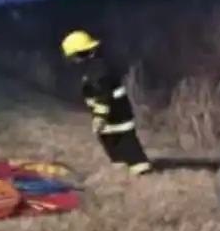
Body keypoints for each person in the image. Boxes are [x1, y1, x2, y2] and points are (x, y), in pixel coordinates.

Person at [60, 30, 153, 176]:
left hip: (117, 112)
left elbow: (103, 95)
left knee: (125, 138)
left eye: (73, 57)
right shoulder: (91, 67)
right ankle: (120, 162)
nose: (72, 61)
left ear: (80, 53)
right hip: (108, 113)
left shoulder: (99, 69)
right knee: (108, 137)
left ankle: (140, 166)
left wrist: (99, 116)